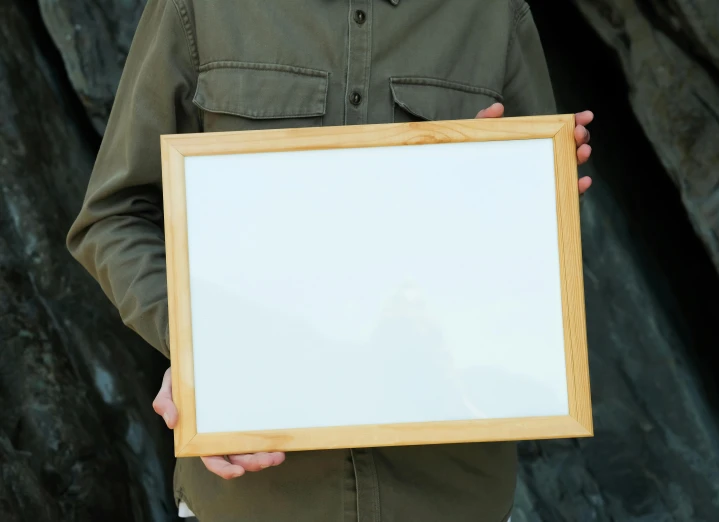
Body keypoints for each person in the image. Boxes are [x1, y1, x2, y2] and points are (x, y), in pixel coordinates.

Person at [66, 1, 593, 521]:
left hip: (452, 498)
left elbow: (533, 244)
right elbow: (116, 216)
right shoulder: (198, 8)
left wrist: (526, 193)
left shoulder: (493, 13)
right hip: (256, 502)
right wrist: (200, 346)